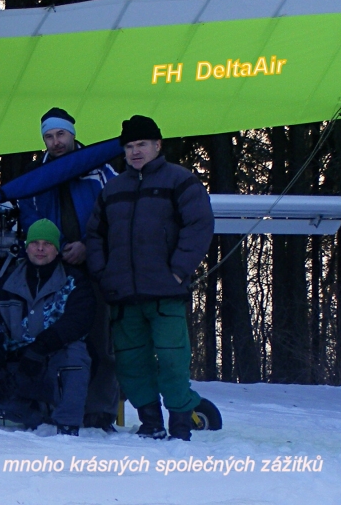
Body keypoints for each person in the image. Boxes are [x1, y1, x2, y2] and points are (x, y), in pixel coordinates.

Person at [85, 115, 214, 441]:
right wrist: (103, 274)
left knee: (172, 360)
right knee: (131, 363)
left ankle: (181, 424)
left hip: (165, 293)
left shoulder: (181, 181)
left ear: (158, 145)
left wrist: (179, 269)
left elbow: (199, 225)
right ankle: (150, 422)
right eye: (129, 146)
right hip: (123, 296)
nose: (135, 151)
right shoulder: (112, 189)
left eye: (141, 144)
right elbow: (95, 235)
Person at [18, 107, 119, 431]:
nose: (55, 141)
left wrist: (88, 246)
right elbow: (29, 217)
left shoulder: (99, 168)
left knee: (100, 338)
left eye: (60, 134)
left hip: (96, 264)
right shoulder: (36, 174)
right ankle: (53, 403)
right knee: (53, 335)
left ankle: (100, 410)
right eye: (49, 136)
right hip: (54, 267)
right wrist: (56, 247)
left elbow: (114, 213)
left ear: (72, 134)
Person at [0, 219, 95, 435]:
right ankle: (39, 420)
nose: (40, 248)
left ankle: (67, 427)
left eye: (47, 244)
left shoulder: (75, 282)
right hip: (20, 367)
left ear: (57, 249)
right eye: (35, 243)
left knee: (76, 354)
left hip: (55, 364)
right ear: (26, 247)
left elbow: (78, 321)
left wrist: (40, 349)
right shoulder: (6, 284)